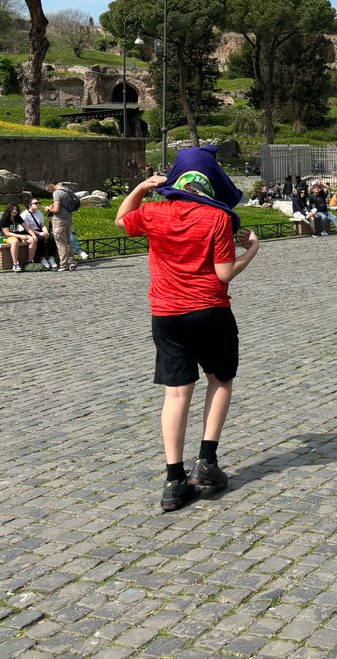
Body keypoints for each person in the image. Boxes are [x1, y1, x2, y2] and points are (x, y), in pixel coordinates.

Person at [115, 146, 259, 512]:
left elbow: (121, 220)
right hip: (209, 311)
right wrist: (251, 251)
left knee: (176, 395)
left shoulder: (153, 212)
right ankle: (207, 462)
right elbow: (224, 273)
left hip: (166, 314)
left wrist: (141, 188)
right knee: (220, 379)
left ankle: (173, 480)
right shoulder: (217, 218)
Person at [45, 182, 77, 271]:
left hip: (59, 220)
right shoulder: (67, 190)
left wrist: (48, 208)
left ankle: (64, 265)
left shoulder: (57, 192)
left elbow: (56, 209)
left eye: (49, 190)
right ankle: (72, 262)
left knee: (61, 243)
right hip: (68, 218)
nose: (50, 192)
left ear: (51, 185)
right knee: (67, 241)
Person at [20, 198, 59, 270]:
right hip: (27, 231)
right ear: (29, 205)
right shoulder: (24, 214)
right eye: (35, 203)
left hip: (38, 230)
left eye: (38, 203)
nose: (38, 204)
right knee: (39, 238)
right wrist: (40, 233)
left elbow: (42, 225)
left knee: (51, 236)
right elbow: (27, 228)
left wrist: (46, 232)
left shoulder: (39, 213)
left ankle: (51, 257)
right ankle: (42, 258)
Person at [0, 202, 36, 272]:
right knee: (15, 241)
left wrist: (33, 235)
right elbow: (7, 233)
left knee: (32, 240)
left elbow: (26, 227)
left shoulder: (17, 217)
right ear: (9, 210)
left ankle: (30, 261)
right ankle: (15, 263)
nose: (14, 211)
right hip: (3, 236)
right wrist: (20, 236)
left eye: (16, 209)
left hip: (15, 235)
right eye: (12, 209)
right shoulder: (4, 219)